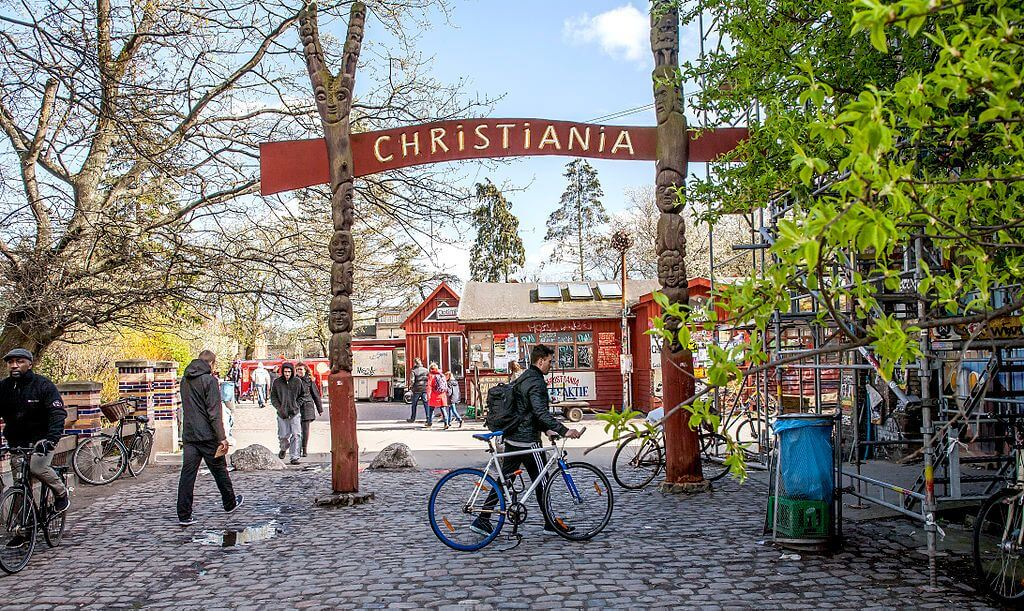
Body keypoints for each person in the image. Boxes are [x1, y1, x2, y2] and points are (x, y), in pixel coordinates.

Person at [472, 344, 582, 537]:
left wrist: (546, 429)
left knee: (505, 480)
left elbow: (526, 410)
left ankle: (483, 518)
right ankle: (550, 523)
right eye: (549, 361)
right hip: (528, 441)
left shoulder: (524, 377)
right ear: (540, 361)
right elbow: (540, 412)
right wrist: (564, 430)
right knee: (543, 481)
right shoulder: (536, 382)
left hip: (513, 437)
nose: (551, 365)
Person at [0, 348, 71, 528]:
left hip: (42, 440)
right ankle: (24, 526)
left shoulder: (43, 385)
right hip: (17, 442)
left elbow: (57, 413)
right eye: (10, 362)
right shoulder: (4, 387)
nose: (14, 365)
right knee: (19, 483)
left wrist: (51, 439)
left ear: (30, 364)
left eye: (19, 361)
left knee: (37, 467)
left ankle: (61, 493)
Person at [177, 350, 243, 526]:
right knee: (219, 470)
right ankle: (230, 503)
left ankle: (184, 514)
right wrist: (222, 437)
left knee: (187, 474)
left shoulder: (185, 380)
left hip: (190, 433)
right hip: (207, 435)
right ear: (212, 363)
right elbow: (214, 412)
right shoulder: (209, 380)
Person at [271, 362, 308, 464]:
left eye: (289, 372)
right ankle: (283, 448)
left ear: (292, 372)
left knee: (296, 434)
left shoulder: (297, 381)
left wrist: (296, 405)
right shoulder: (277, 382)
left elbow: (302, 395)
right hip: (282, 414)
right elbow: (273, 397)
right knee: (283, 435)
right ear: (282, 372)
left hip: (294, 412)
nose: (287, 374)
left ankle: (294, 457)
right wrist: (279, 408)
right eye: (285, 371)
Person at [295, 362, 323, 458]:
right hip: (296, 407)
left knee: (305, 430)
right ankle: (297, 449)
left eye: (301, 369)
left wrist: (320, 409)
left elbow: (316, 395)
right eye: (297, 369)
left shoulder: (309, 380)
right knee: (296, 430)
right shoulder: (293, 380)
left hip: (307, 407)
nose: (299, 371)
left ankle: (304, 449)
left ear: (305, 370)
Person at [425, 362, 448, 429]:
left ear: (430, 369)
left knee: (431, 409)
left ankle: (429, 423)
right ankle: (446, 423)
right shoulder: (442, 375)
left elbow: (429, 386)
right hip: (442, 394)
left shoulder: (431, 375)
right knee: (443, 409)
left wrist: (428, 395)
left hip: (434, 395)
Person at [407, 358, 428, 424]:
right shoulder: (426, 370)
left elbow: (412, 381)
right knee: (426, 404)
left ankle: (413, 418)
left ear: (415, 363)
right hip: (424, 389)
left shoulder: (413, 371)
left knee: (414, 404)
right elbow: (428, 379)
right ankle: (428, 418)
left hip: (416, 389)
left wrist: (410, 387)